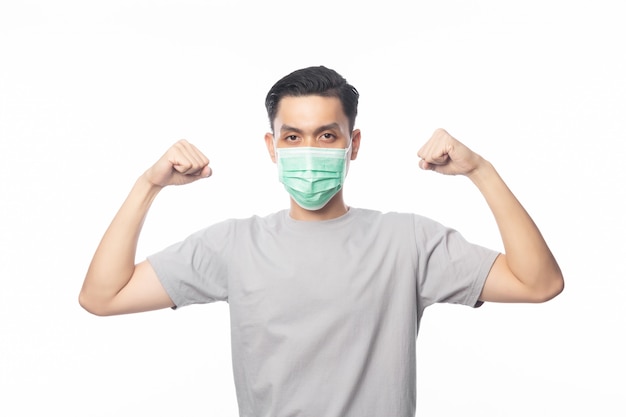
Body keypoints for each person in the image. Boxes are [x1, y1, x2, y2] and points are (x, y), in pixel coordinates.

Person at [79, 65, 564, 417]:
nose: (309, 150)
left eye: (327, 136)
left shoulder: (407, 241)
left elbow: (539, 283)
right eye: (293, 138)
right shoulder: (234, 244)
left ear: (353, 145)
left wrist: (481, 171)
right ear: (272, 147)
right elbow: (103, 296)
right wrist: (149, 185)